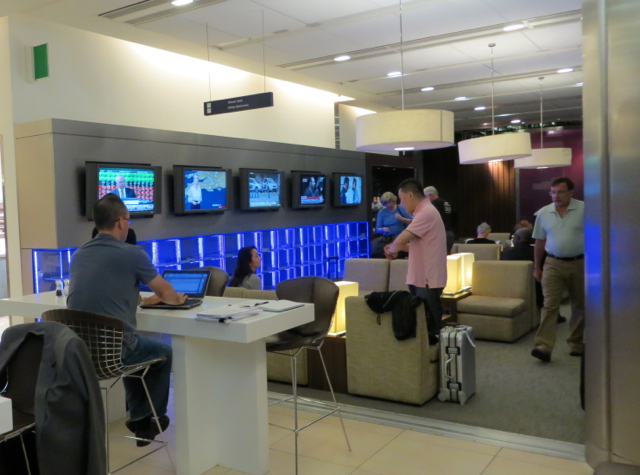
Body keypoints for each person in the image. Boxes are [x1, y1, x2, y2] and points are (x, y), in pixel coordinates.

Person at [68, 194, 187, 445]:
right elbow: (167, 293)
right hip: (115, 352)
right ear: (121, 222)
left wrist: (142, 301)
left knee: (135, 350)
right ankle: (150, 417)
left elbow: (108, 292)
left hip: (79, 354)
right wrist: (178, 300)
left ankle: (141, 419)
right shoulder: (132, 253)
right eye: (129, 221)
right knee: (162, 352)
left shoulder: (78, 255)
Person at [384, 179, 447, 344]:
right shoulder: (423, 212)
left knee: (430, 326)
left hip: (427, 278)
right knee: (421, 324)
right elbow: (418, 246)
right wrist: (395, 247)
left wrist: (393, 249)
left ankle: (436, 365)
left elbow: (403, 238)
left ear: (410, 195)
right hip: (421, 275)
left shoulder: (426, 212)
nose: (401, 204)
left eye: (402, 199)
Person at [531, 177, 585, 362]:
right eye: (552, 192)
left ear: (571, 192)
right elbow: (539, 242)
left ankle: (576, 343)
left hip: (580, 263)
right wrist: (537, 267)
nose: (556, 196)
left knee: (579, 305)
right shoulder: (543, 213)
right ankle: (543, 346)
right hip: (553, 263)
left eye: (560, 192)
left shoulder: (585, 209)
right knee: (550, 305)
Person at [501, 227, 567, 324]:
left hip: (509, 287)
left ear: (518, 238)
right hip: (536, 289)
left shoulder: (505, 253)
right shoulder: (540, 253)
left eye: (514, 237)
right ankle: (554, 314)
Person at [370, 192, 412, 258]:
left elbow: (412, 221)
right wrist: (383, 229)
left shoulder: (401, 208)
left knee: (397, 249)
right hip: (387, 237)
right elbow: (378, 229)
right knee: (374, 248)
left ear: (394, 201)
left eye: (391, 202)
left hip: (399, 237)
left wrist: (402, 219)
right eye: (386, 203)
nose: (389, 205)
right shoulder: (381, 213)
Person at [423, 186, 455, 254]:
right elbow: (454, 216)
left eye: (425, 197)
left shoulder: (434, 204)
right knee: (447, 257)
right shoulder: (446, 203)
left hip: (440, 235)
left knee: (438, 257)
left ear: (430, 195)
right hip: (449, 233)